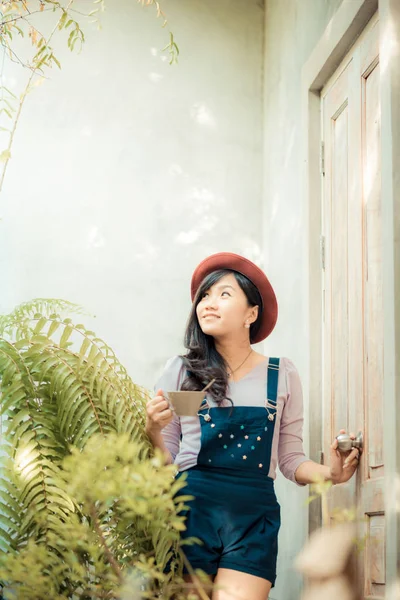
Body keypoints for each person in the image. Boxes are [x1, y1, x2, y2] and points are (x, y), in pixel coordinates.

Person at [145, 252, 361, 600]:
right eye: (204, 296)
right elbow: (164, 460)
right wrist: (154, 429)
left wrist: (331, 474)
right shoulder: (181, 370)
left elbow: (290, 458)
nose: (208, 304)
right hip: (189, 512)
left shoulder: (281, 374)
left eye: (223, 294)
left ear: (251, 313)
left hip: (252, 517)